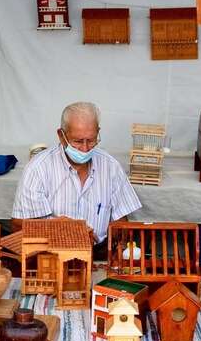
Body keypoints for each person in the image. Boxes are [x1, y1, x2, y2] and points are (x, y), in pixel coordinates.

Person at [11, 101, 141, 259]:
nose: (85, 148)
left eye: (91, 140)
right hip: (50, 255)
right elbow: (17, 226)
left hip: (98, 254)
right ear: (61, 136)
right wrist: (61, 228)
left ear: (98, 132)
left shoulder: (110, 166)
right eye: (78, 141)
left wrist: (117, 249)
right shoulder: (38, 169)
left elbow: (122, 221)